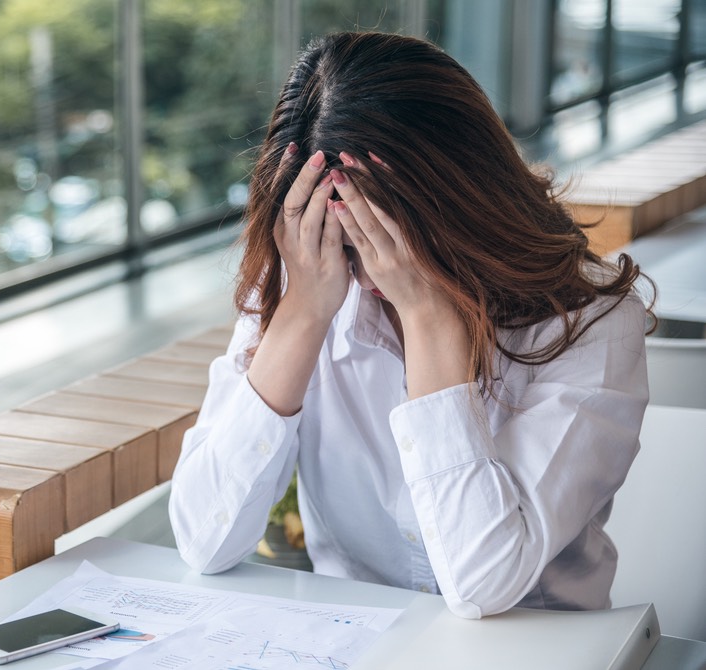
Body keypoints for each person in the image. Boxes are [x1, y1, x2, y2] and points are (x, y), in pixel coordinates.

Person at [168, 32, 651, 619]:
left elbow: (482, 586)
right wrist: (300, 316)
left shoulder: (590, 324)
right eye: (346, 242)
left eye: (387, 235)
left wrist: (428, 318)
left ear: (464, 195)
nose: (369, 269)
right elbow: (203, 542)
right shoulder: (309, 277)